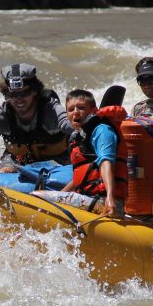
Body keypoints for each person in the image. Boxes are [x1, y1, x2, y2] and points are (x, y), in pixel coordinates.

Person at [31, 89, 128, 217]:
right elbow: (80, 177)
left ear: (93, 110)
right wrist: (61, 194)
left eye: (81, 108)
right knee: (44, 197)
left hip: (103, 201)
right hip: (87, 197)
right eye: (71, 109)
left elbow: (106, 163)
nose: (76, 112)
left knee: (35, 197)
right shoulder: (79, 136)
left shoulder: (102, 131)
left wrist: (110, 198)